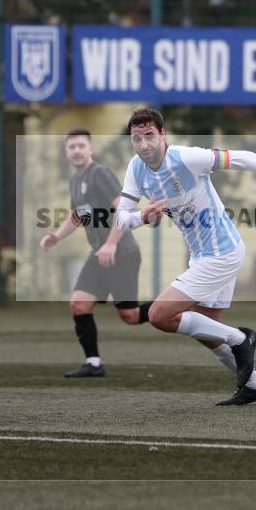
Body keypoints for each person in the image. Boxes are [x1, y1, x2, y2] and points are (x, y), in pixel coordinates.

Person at [115, 109, 256, 405]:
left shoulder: (186, 158)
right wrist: (142, 217)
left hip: (222, 253)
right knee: (207, 332)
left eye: (149, 136)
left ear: (162, 134)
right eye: (136, 138)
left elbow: (244, 157)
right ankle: (255, 385)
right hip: (203, 256)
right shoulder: (136, 168)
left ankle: (241, 338)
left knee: (159, 315)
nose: (143, 144)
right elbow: (120, 219)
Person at [39, 129, 151, 378]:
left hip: (121, 252)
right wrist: (56, 236)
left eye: (81, 146)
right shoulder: (75, 179)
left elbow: (121, 208)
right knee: (79, 304)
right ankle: (94, 363)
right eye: (72, 147)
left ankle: (173, 308)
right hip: (98, 254)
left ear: (91, 149)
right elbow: (77, 215)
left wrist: (111, 244)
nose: (77, 150)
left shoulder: (100, 174)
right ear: (66, 152)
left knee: (130, 316)